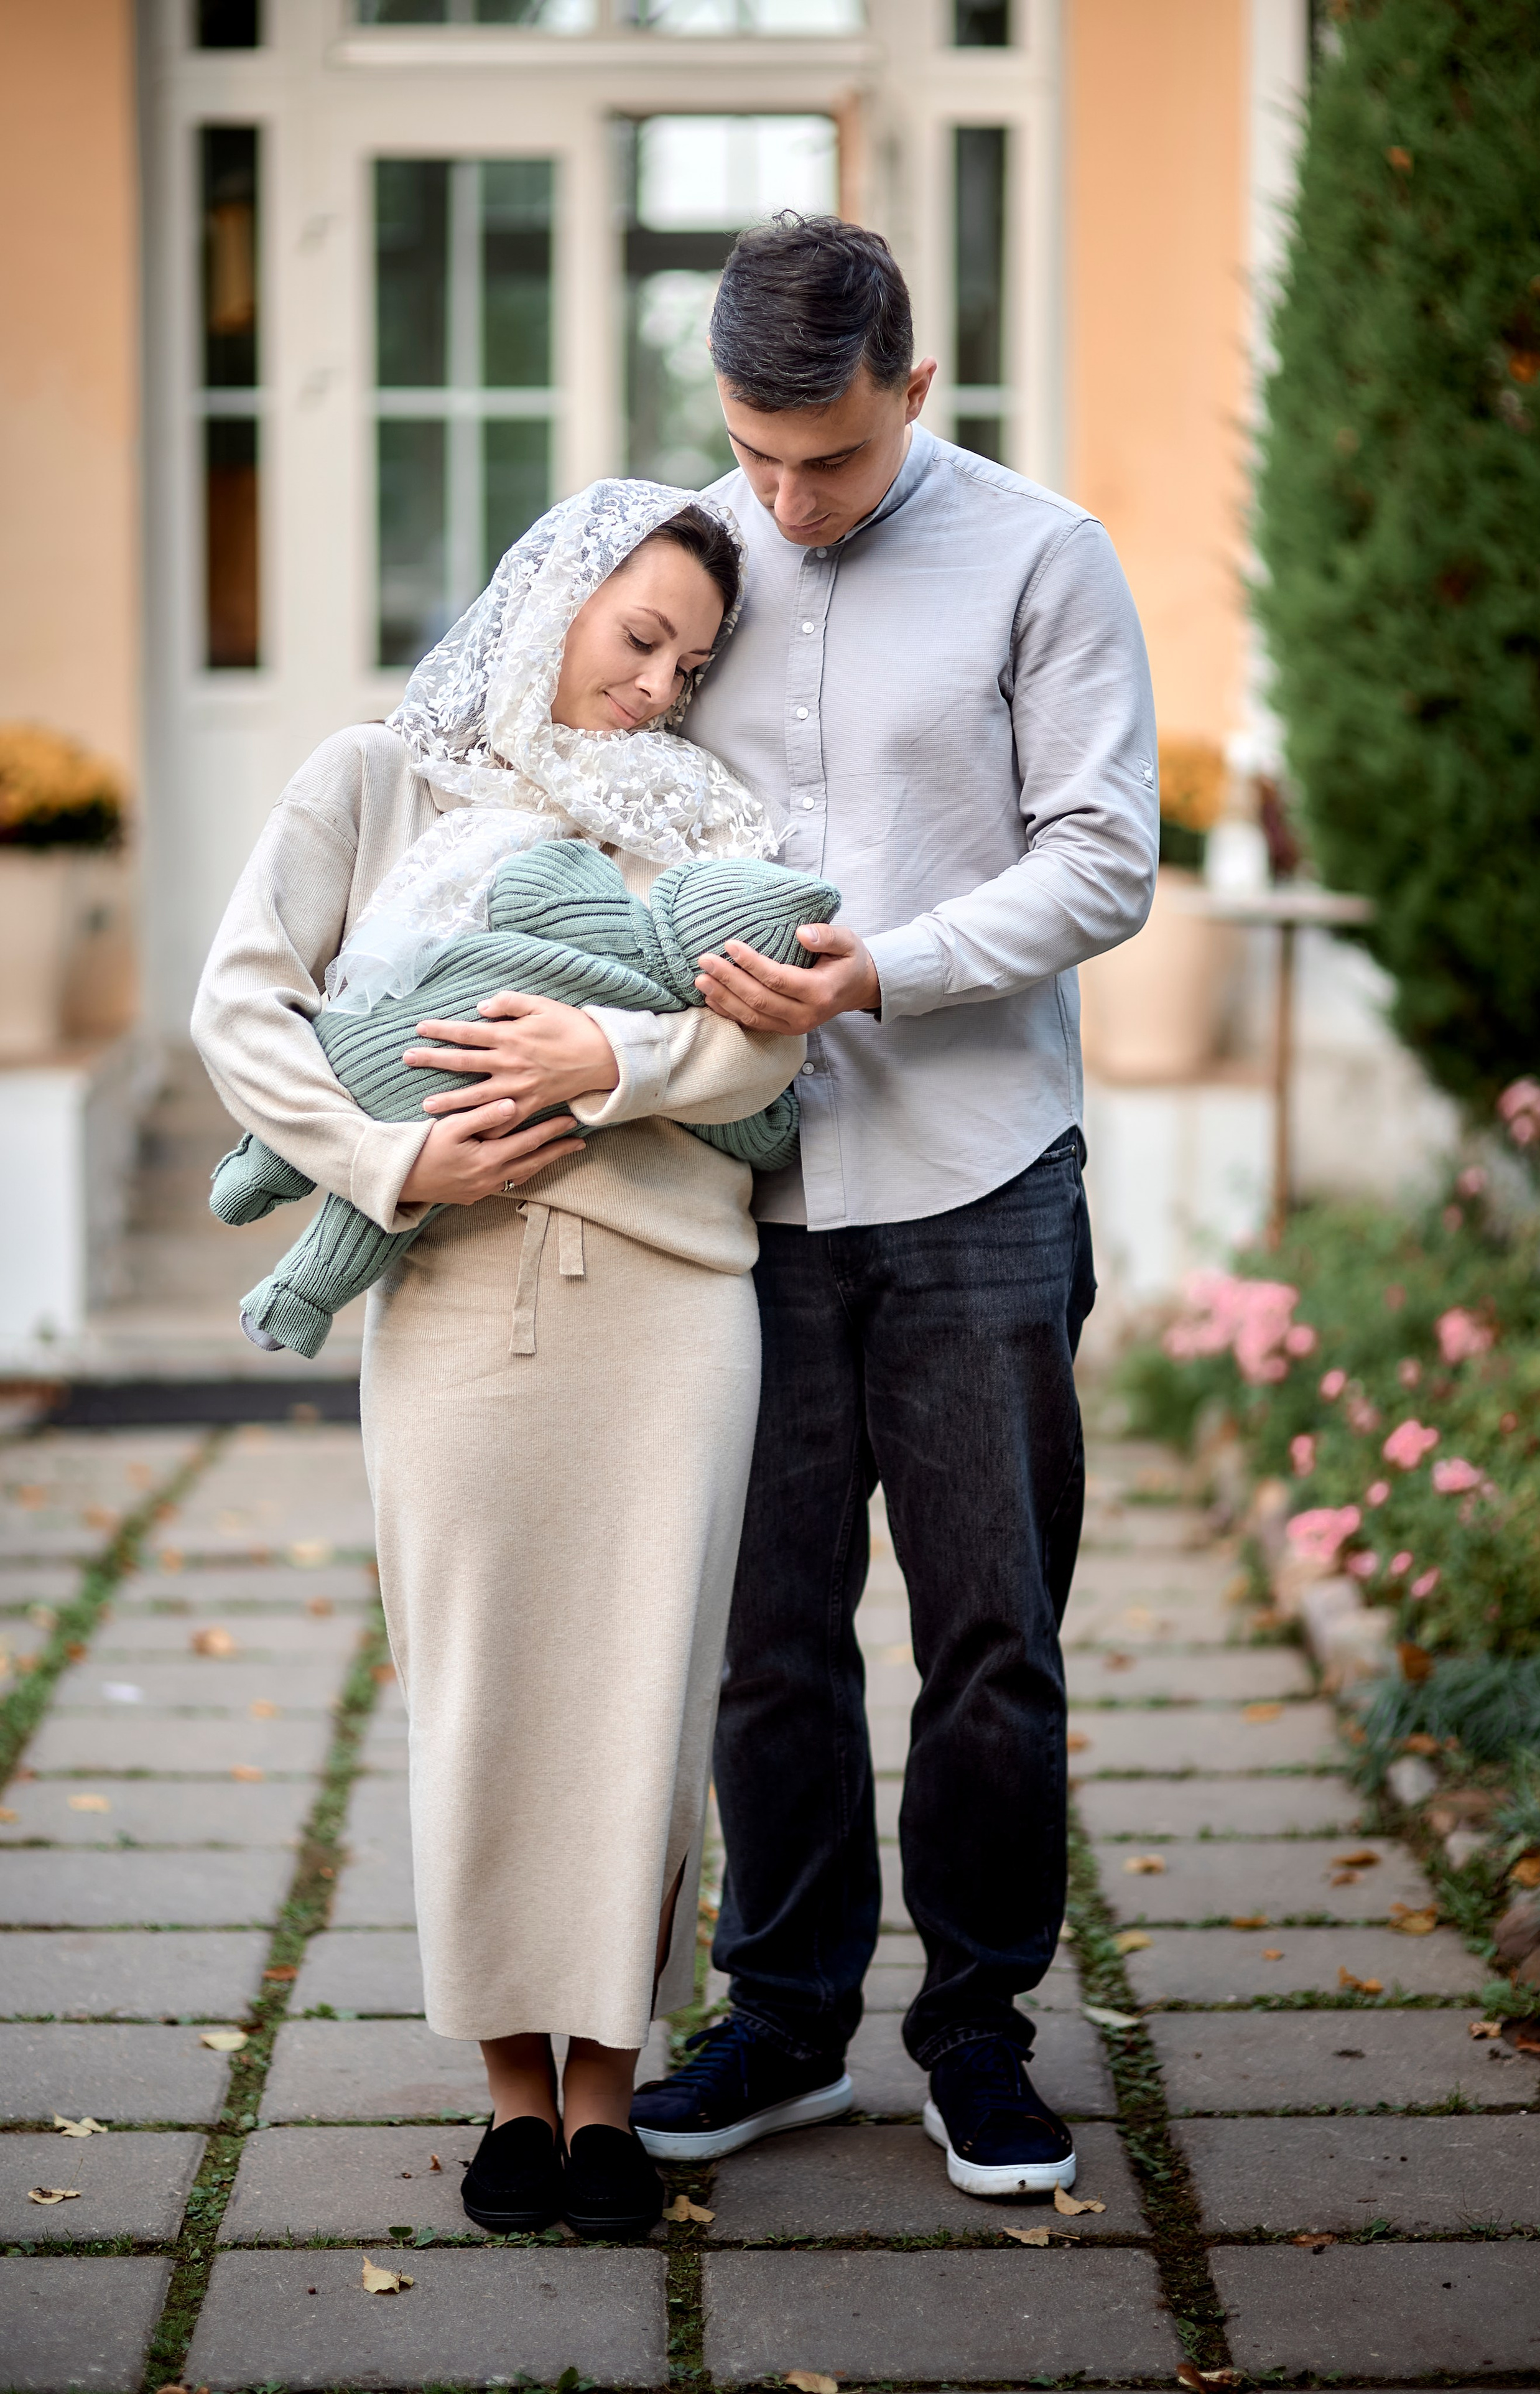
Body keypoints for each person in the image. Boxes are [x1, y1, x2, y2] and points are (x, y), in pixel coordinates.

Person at [192, 482, 807, 2242]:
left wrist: (600, 1056)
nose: (657, 687)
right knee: (475, 1688)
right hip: (452, 1309)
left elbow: (765, 1068)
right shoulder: (374, 780)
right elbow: (240, 1004)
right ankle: (510, 2094)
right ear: (553, 599)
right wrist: (394, 1164)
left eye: (691, 665)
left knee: (641, 1697)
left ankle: (609, 2094)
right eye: (638, 638)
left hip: (675, 1312)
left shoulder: (709, 823)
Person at [629, 218, 1159, 2199]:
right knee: (763, 1638)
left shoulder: (1045, 555)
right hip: (727, 1192)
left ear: (917, 390)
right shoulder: (674, 551)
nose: (784, 501)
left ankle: (981, 2036)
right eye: (753, 455)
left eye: (829, 460)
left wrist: (880, 971)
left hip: (978, 1178)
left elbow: (1106, 860)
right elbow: (574, 787)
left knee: (992, 1638)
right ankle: (778, 2019)